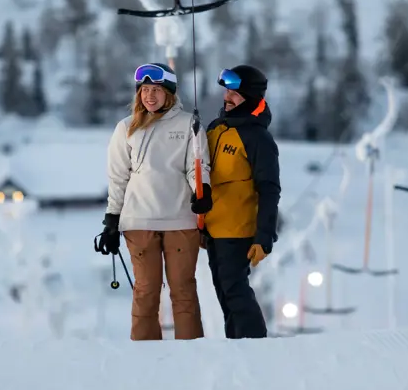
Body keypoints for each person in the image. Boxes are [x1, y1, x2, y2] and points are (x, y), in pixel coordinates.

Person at [98, 62, 211, 341]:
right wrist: (112, 220)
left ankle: (191, 352)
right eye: (144, 90)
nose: (149, 95)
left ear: (169, 93)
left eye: (156, 90)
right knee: (146, 290)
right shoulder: (126, 128)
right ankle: (144, 357)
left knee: (183, 290)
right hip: (139, 221)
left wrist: (202, 191)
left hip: (180, 220)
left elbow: (196, 167)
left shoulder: (189, 124)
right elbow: (118, 177)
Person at [195, 64, 280, 339]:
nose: (226, 97)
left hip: (238, 231)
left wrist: (263, 236)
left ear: (251, 97)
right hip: (212, 229)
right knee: (224, 293)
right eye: (226, 92)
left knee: (235, 291)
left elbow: (269, 190)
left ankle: (256, 348)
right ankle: (236, 347)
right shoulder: (216, 128)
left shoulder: (258, 139)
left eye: (234, 93)